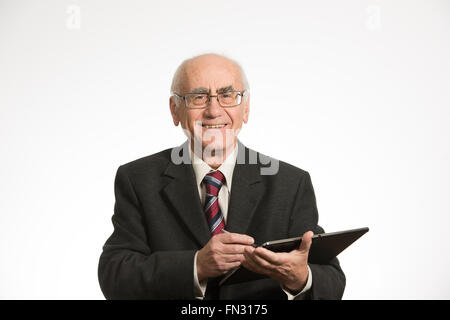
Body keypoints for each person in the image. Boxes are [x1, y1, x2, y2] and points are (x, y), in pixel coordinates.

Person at [98, 53, 345, 300]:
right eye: (198, 97)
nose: (214, 110)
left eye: (227, 95)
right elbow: (115, 276)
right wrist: (196, 265)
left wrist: (301, 279)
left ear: (245, 108)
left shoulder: (290, 184)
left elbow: (332, 283)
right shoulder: (137, 179)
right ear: (175, 110)